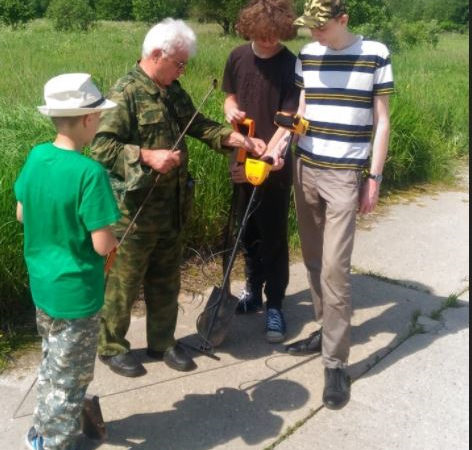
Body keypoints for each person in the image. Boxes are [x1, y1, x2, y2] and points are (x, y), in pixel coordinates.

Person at [91, 18, 266, 378]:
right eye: (179, 63)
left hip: (171, 206)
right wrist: (147, 155)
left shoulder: (173, 90)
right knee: (124, 282)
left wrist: (235, 140)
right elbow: (100, 148)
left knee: (166, 279)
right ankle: (111, 347)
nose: (183, 70)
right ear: (157, 55)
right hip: (132, 211)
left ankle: (162, 342)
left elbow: (198, 123)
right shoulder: (125, 93)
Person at [269, 0, 394, 409]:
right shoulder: (308, 55)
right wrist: (281, 145)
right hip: (306, 168)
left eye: (322, 28)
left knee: (337, 271)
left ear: (343, 20)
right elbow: (302, 110)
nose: (315, 35)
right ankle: (325, 329)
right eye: (311, 28)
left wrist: (373, 177)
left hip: (344, 175)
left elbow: (382, 121)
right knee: (314, 259)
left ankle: (336, 362)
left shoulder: (375, 54)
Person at [15, 73, 120, 450]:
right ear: (88, 120)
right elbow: (101, 245)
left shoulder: (37, 155)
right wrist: (114, 237)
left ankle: (41, 428)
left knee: (51, 361)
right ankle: (53, 442)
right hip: (77, 296)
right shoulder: (89, 173)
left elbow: (21, 213)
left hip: (43, 286)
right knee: (71, 377)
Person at [222, 0, 300, 343]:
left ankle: (276, 304)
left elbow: (290, 121)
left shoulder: (291, 64)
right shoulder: (237, 56)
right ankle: (252, 290)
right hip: (242, 155)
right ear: (250, 30)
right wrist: (231, 112)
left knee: (273, 235)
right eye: (263, 37)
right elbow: (229, 96)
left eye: (275, 37)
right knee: (247, 230)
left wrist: (267, 160)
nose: (269, 43)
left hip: (275, 163)